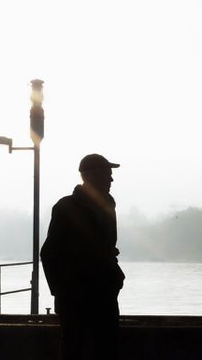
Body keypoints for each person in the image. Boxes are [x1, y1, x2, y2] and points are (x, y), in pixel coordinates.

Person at [41, 154, 125, 360]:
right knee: (74, 348)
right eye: (108, 175)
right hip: (76, 296)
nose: (111, 180)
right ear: (94, 176)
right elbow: (49, 253)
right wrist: (63, 292)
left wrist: (113, 274)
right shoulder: (65, 208)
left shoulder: (108, 205)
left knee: (107, 347)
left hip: (104, 293)